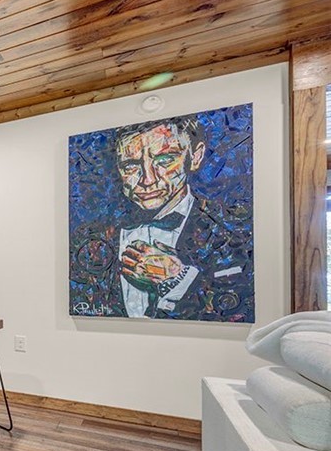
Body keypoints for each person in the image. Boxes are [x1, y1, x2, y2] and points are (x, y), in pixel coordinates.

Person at [70, 117, 253, 321]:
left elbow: (241, 309)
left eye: (165, 160)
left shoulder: (231, 230)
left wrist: (177, 278)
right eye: (131, 165)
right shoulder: (91, 238)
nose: (148, 180)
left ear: (195, 156)